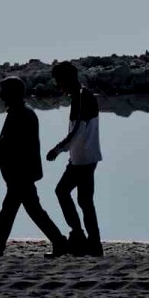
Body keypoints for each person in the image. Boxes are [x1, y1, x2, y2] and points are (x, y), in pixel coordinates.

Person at [0, 76, 69, 258]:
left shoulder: (20, 114)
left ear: (12, 93)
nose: (1, 95)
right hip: (21, 173)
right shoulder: (22, 112)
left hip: (20, 173)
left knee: (13, 211)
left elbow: (5, 146)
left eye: (4, 91)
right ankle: (59, 242)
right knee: (28, 210)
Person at [46, 61, 103, 257]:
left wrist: (58, 149)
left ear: (67, 78)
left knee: (64, 193)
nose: (58, 85)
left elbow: (78, 130)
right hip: (84, 156)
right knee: (83, 200)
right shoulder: (82, 95)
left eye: (59, 80)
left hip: (83, 158)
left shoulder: (80, 97)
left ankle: (82, 237)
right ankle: (91, 242)